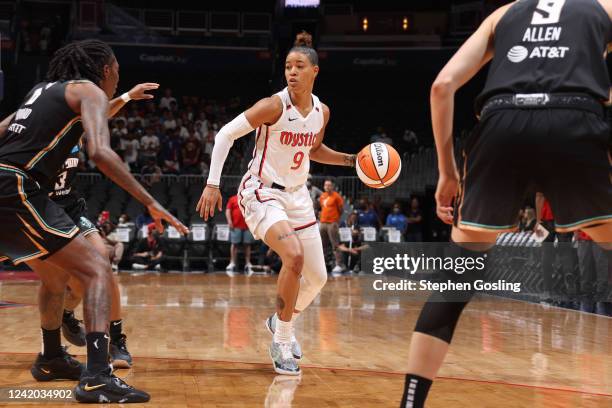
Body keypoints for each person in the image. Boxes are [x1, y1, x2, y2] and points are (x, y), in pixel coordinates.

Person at [402, 1, 612, 406]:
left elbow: (442, 86)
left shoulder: (505, 13)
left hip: (500, 126)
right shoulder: (602, 7)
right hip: (574, 121)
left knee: (453, 286)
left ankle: (410, 402)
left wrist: (447, 172)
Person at [0, 39, 187, 403]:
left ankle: (52, 357)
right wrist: (151, 202)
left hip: (9, 183)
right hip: (17, 187)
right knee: (97, 269)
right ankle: (98, 376)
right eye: (117, 68)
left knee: (65, 273)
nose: (118, 76)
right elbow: (100, 152)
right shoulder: (90, 90)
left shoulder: (40, 92)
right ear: (105, 69)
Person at [197, 31, 356, 375]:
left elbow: (313, 149)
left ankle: (278, 321)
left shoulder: (321, 111)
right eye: (287, 66)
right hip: (261, 191)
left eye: (299, 66)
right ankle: (282, 339)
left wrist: (351, 160)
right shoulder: (274, 105)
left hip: (298, 195)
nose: (292, 72)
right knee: (294, 256)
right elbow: (225, 133)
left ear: (315, 71)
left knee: (318, 278)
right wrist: (213, 184)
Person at [318, 179, 345, 274]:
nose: (327, 187)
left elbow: (341, 210)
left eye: (329, 185)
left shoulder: (336, 196)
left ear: (332, 186)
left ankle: (339, 265)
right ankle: (323, 264)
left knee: (335, 244)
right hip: (323, 223)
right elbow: (321, 208)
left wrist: (336, 221)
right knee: (322, 245)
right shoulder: (322, 196)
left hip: (332, 223)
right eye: (326, 185)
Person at [225, 194, 255, 276]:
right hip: (235, 225)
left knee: (247, 245)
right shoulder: (232, 198)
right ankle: (232, 262)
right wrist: (229, 221)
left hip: (247, 226)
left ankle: (248, 263)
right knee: (234, 244)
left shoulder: (250, 198)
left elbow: (254, 211)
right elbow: (228, 211)